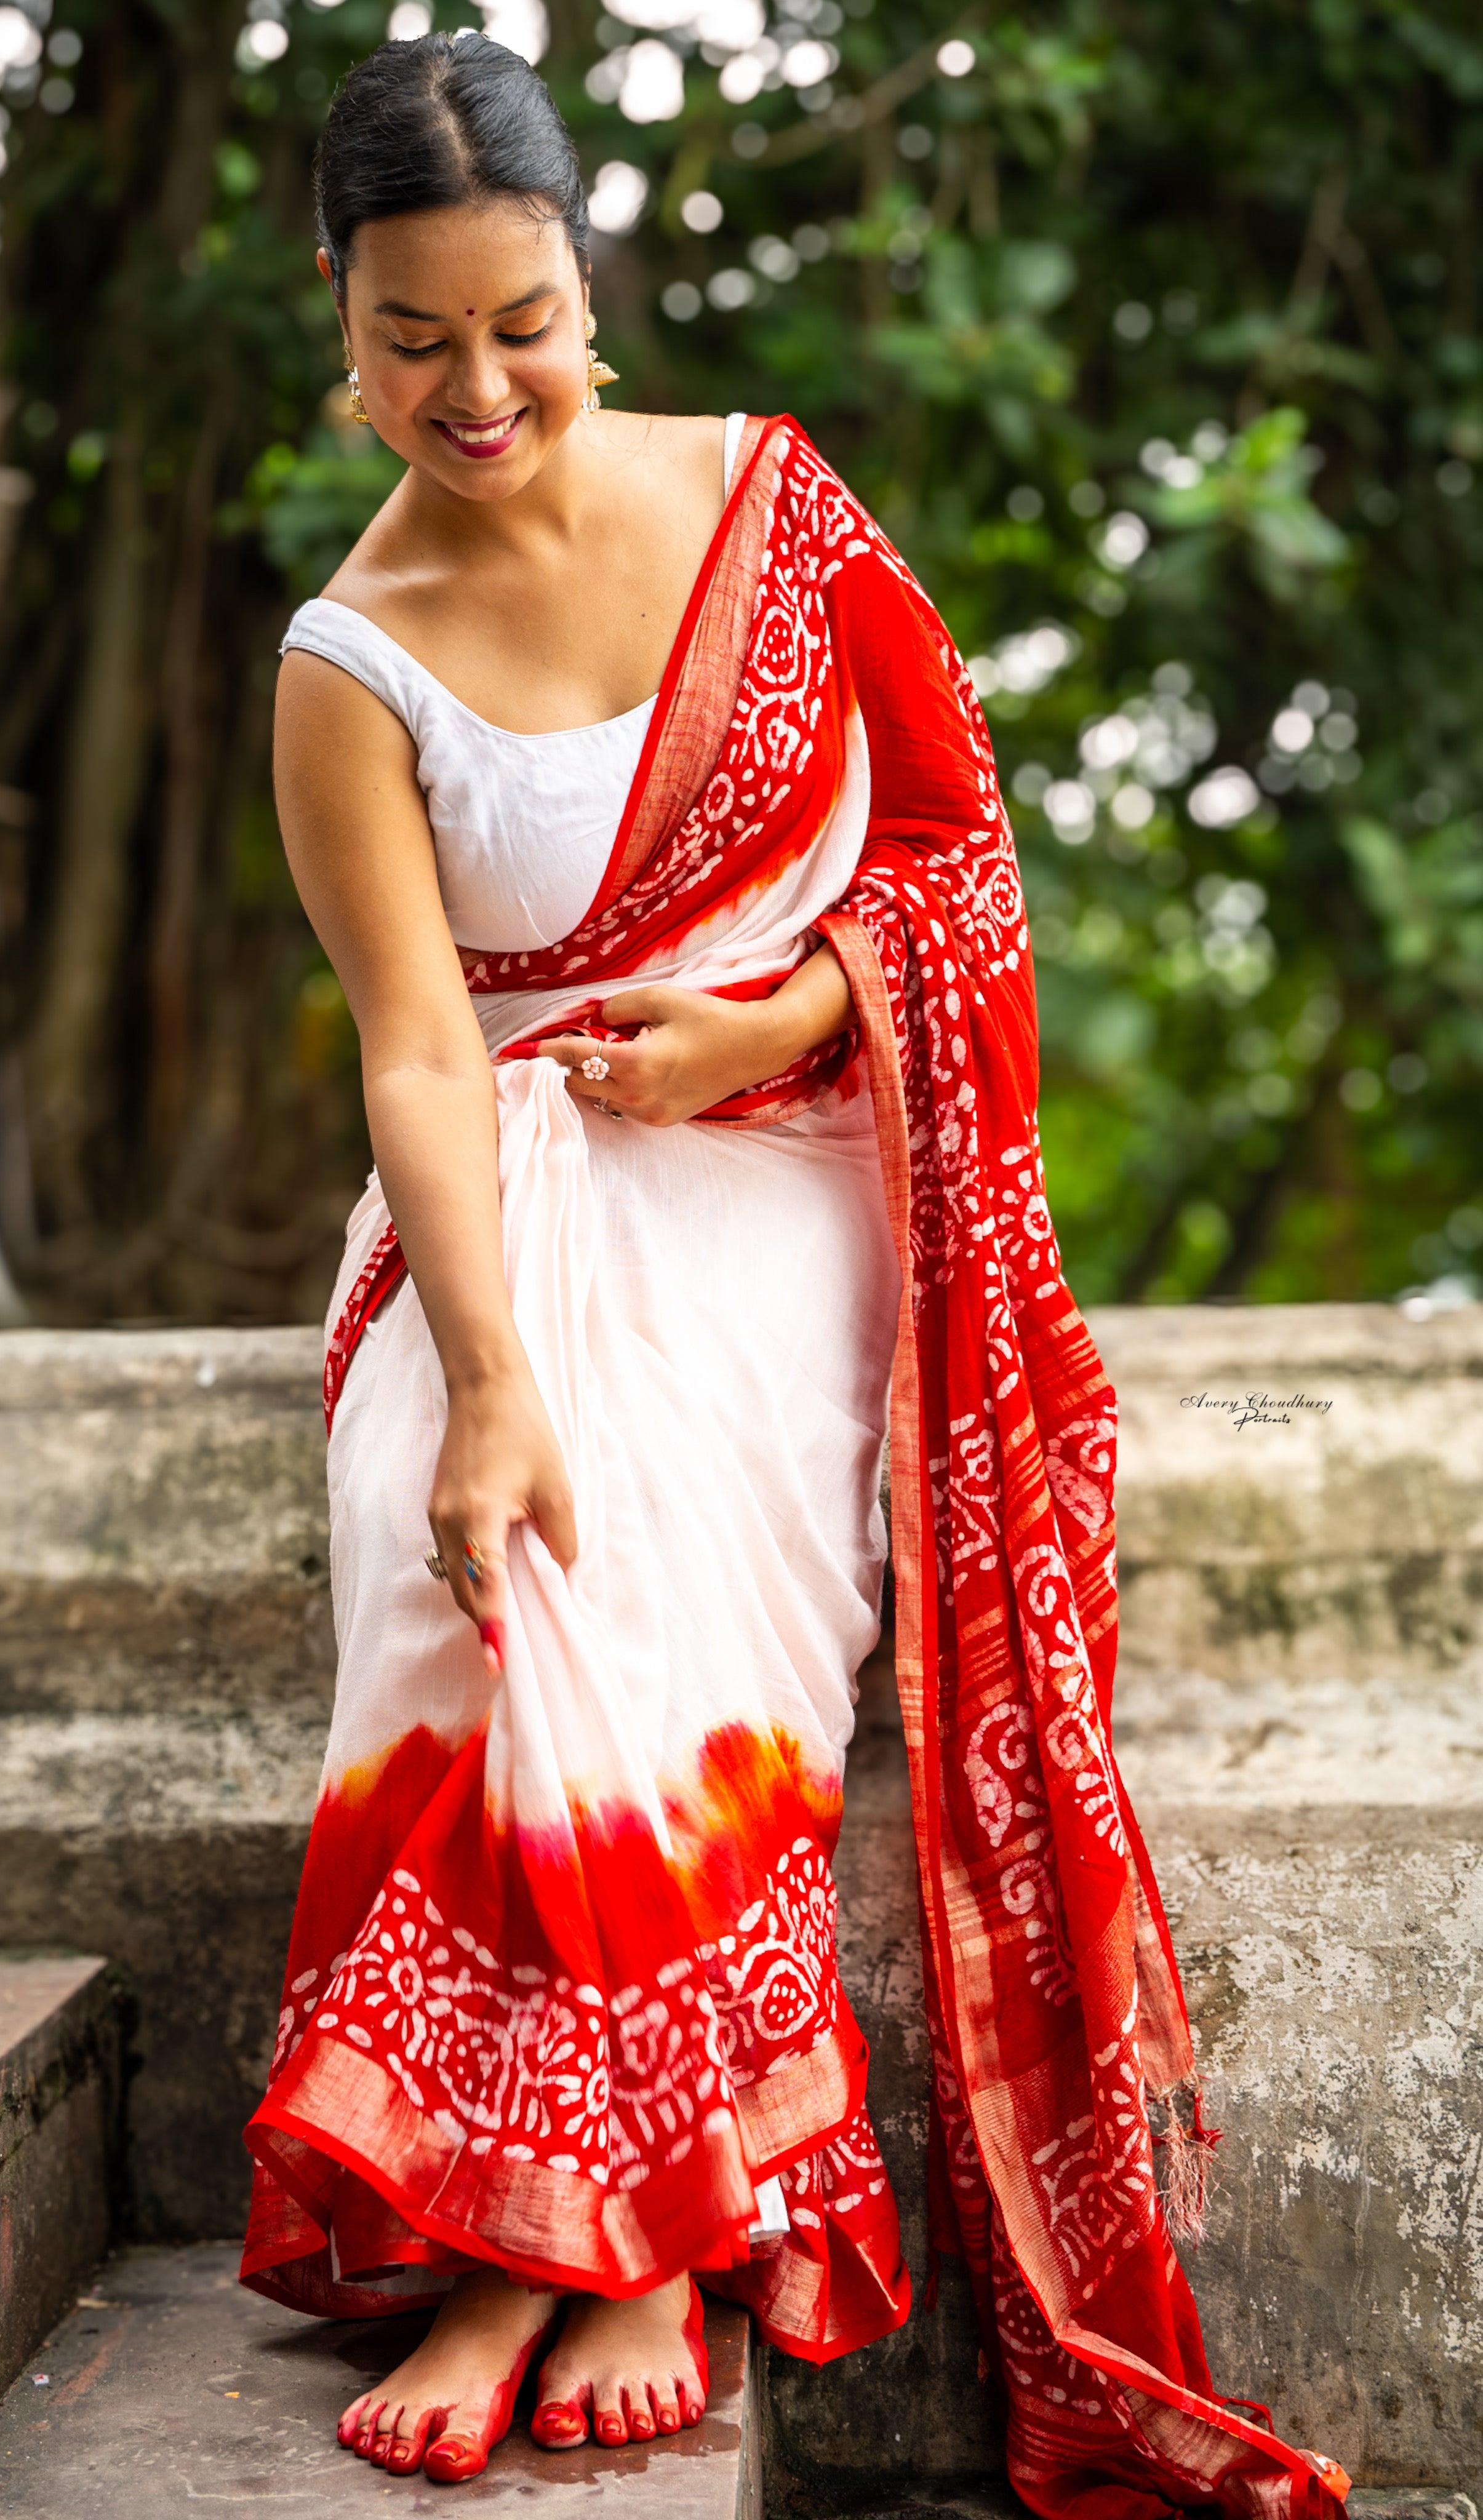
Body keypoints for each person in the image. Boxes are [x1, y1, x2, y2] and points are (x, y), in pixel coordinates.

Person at [241, 34, 1350, 2519]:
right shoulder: (347, 657)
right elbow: (422, 1056)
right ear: (339, 322)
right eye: (409, 336)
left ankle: (606, 2236)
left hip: (785, 1156)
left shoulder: (772, 504)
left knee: (662, 1528)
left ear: (585, 293)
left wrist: (777, 1013)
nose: (472, 387)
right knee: (467, 1505)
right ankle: (534, 2229)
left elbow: (954, 862)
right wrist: (494, 1372)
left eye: (514, 320)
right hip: (503, 1185)